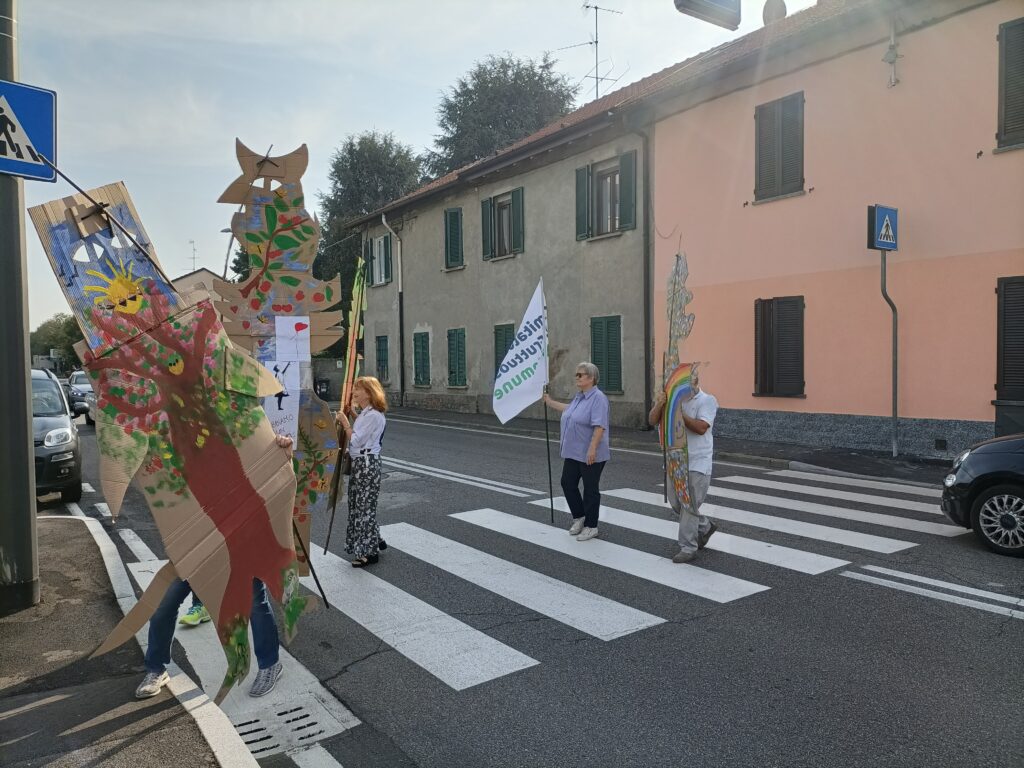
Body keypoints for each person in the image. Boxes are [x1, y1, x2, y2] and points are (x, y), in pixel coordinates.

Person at [134, 434, 294, 700]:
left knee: (254, 600)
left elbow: (271, 473)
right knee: (166, 601)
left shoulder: (237, 429)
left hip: (239, 540)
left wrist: (281, 452)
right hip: (197, 543)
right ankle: (156, 667)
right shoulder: (182, 438)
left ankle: (270, 664)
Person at [648, 369, 719, 563]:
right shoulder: (670, 399)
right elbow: (652, 420)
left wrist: (678, 411)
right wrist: (661, 404)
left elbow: (701, 428)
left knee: (689, 505)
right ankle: (704, 526)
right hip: (676, 459)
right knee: (677, 503)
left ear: (696, 381)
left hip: (698, 460)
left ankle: (688, 547)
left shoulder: (707, 400)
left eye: (689, 382)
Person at [542, 362, 610, 542]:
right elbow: (569, 410)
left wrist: (592, 449)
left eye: (580, 375)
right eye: (577, 375)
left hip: (590, 453)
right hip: (573, 452)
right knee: (567, 483)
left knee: (590, 489)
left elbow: (600, 426)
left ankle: (591, 526)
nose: (577, 378)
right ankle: (579, 517)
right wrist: (549, 402)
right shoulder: (580, 397)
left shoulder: (598, 398)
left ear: (591, 378)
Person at [336, 376, 388, 567]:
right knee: (360, 505)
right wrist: (354, 415)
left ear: (369, 392)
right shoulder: (369, 413)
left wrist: (345, 422)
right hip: (363, 464)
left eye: (358, 390)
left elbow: (357, 439)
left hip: (366, 465)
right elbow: (364, 429)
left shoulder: (373, 415)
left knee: (364, 507)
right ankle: (377, 539)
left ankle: (369, 552)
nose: (354, 393)